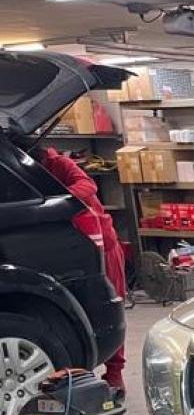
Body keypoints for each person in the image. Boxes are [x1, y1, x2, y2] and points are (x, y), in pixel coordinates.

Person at [37, 146, 127, 398]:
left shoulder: (59, 164)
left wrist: (56, 201)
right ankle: (78, 375)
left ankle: (115, 373)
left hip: (103, 244)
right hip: (68, 248)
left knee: (111, 307)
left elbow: (88, 185)